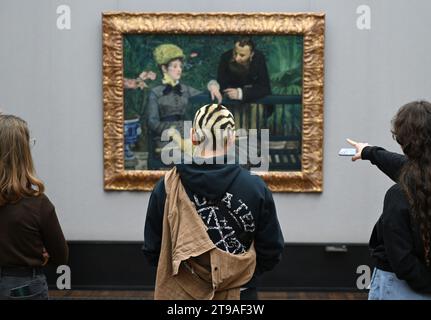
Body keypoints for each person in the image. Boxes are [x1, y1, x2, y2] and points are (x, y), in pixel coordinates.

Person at [142, 104, 284, 300]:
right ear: (232, 138)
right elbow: (271, 251)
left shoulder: (166, 187)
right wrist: (239, 276)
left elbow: (153, 250)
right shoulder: (255, 188)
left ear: (193, 136)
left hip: (183, 296)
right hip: (240, 294)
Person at [348, 100, 431, 299]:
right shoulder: (421, 176)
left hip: (401, 287)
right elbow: (404, 167)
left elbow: (402, 262)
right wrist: (368, 152)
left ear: (403, 140)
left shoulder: (398, 195)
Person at [0, 115, 68, 300]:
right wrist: (43, 255)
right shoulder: (37, 203)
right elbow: (61, 256)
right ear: (23, 154)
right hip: (23, 287)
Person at [147, 44, 221, 169]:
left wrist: (213, 85)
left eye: (180, 66)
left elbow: (205, 94)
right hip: (165, 139)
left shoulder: (185, 89)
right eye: (175, 66)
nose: (179, 70)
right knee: (187, 156)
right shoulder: (155, 92)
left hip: (188, 134)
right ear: (164, 68)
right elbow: (152, 122)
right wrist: (173, 133)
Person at [213, 37, 272, 129]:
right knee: (238, 134)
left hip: (254, 102)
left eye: (242, 55)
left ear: (252, 54)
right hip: (233, 104)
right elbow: (221, 84)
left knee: (254, 131)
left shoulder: (259, 58)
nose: (237, 58)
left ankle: (252, 141)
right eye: (235, 53)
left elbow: (265, 87)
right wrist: (213, 85)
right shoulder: (225, 57)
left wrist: (241, 93)